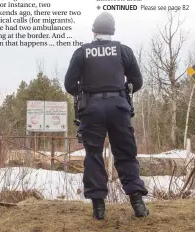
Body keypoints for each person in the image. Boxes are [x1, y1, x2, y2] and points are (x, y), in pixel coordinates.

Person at [64, 11, 149, 220]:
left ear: (94, 31)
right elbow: (136, 82)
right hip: (119, 107)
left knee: (93, 156)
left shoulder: (82, 52)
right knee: (126, 154)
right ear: (113, 31)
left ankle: (99, 208)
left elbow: (69, 85)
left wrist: (85, 92)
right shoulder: (124, 51)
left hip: (91, 109)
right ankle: (137, 203)